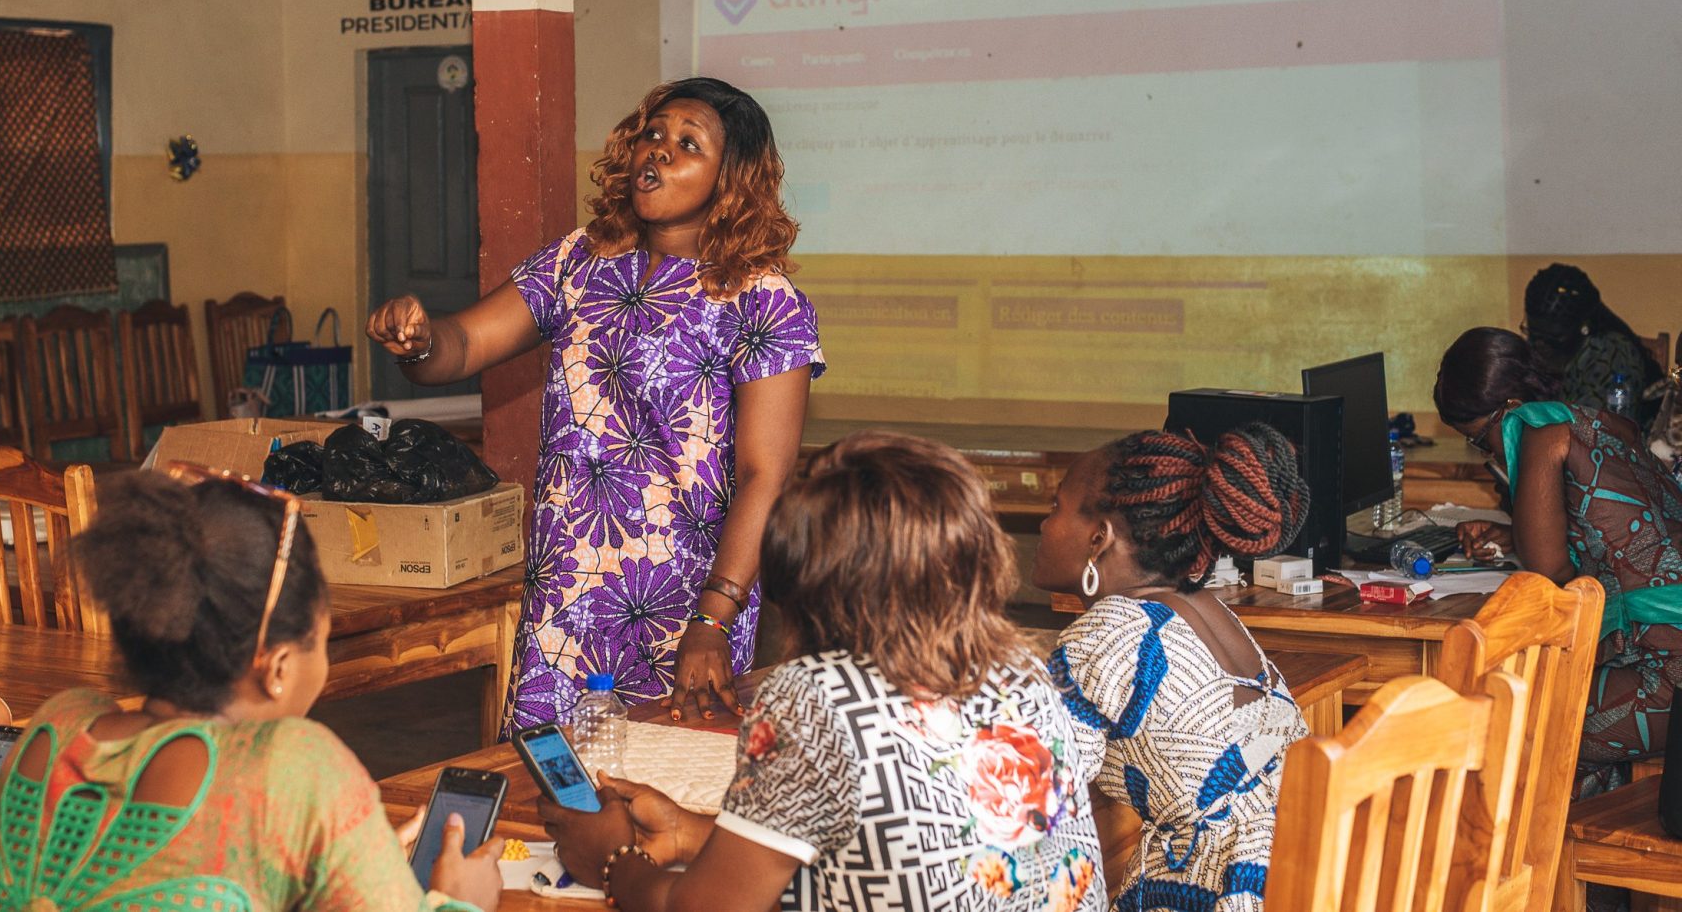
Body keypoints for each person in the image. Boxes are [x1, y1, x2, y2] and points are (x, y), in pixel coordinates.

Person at [367, 77, 823, 730]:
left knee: (670, 793)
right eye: (653, 134)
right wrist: (416, 339)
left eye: (687, 143)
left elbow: (766, 476)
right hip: (568, 594)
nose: (659, 151)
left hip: (684, 605)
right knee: (552, 788)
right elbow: (460, 346)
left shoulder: (761, 299)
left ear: (732, 180)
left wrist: (712, 621)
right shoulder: (579, 262)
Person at [539, 431, 1105, 912]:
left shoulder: (815, 697)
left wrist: (614, 859)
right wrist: (690, 831)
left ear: (802, 579)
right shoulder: (1024, 670)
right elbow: (897, 842)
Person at [0, 474, 503, 912]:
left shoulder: (53, 729)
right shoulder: (294, 768)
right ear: (278, 667)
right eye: (322, 637)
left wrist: (349, 860)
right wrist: (458, 900)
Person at [1033, 425, 1311, 912]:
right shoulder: (1206, 607)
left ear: (1099, 537)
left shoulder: (1109, 631)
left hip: (1214, 890)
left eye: (1056, 507)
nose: (1043, 524)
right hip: (1299, 871)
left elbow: (1043, 784)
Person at [1436, 326, 1682, 793]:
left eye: (1478, 439)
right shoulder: (1604, 422)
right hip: (1664, 655)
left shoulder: (1542, 437)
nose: (1487, 453)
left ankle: (1528, 862)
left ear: (1506, 413)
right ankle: (1573, 855)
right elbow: (1615, 538)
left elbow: (1549, 582)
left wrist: (1526, 535)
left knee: (1503, 723)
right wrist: (1515, 533)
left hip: (1670, 677)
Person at [1523, 263, 1658, 428]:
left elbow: (1590, 433)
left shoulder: (1610, 355)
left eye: (1553, 338)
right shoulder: (1539, 351)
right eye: (1534, 333)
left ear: (1583, 326)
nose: (1539, 344)